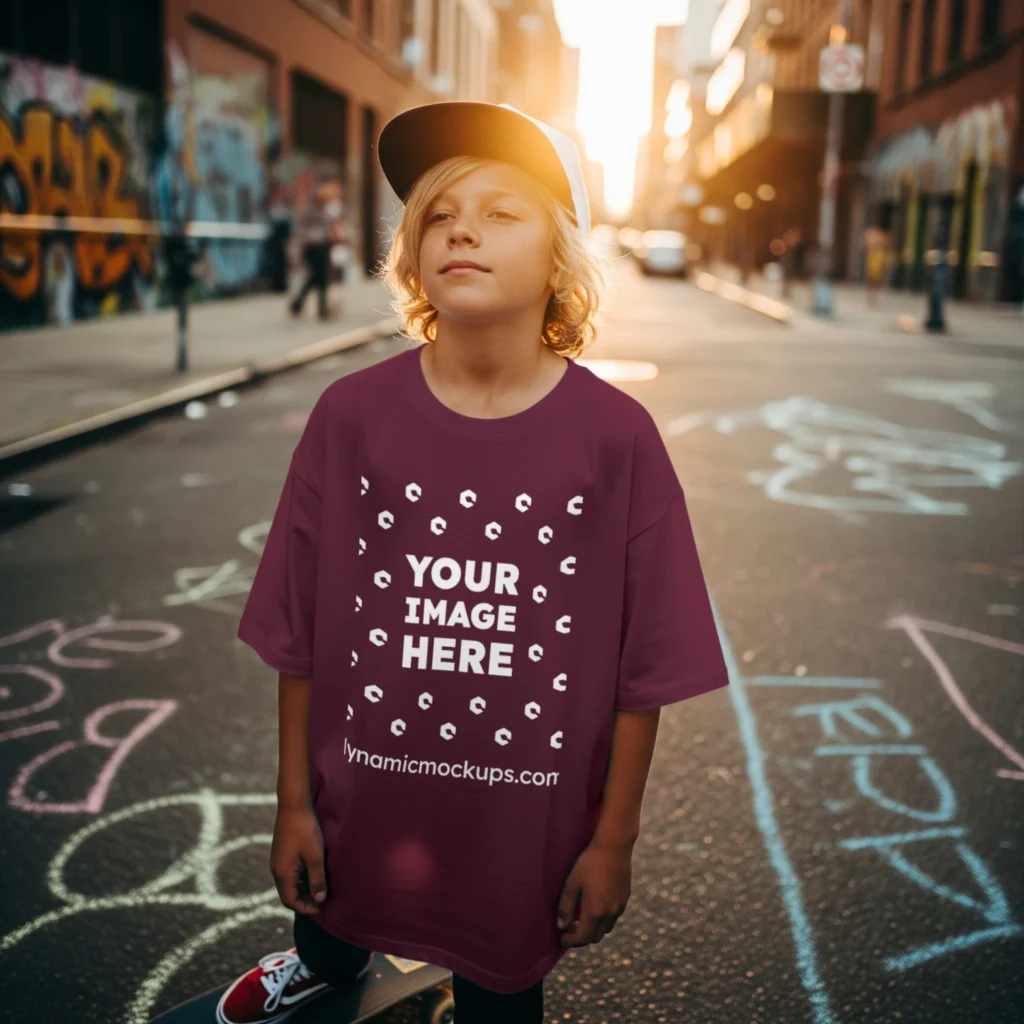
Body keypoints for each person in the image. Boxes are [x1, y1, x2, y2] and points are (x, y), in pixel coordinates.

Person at [220, 101, 730, 1024]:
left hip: (521, 827)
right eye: (440, 215)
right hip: (360, 793)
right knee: (329, 920)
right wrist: (294, 802)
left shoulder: (616, 439)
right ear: (413, 253)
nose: (462, 230)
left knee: (500, 993)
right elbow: (299, 633)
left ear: (560, 259)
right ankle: (321, 965)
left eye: (501, 213)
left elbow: (645, 670)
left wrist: (613, 840)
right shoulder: (350, 416)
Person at [289, 177, 345, 320]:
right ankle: (320, 309)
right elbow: (303, 230)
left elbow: (334, 226)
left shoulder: (330, 208)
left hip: (324, 246)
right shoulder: (311, 209)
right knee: (319, 277)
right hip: (313, 247)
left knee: (318, 277)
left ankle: (301, 305)